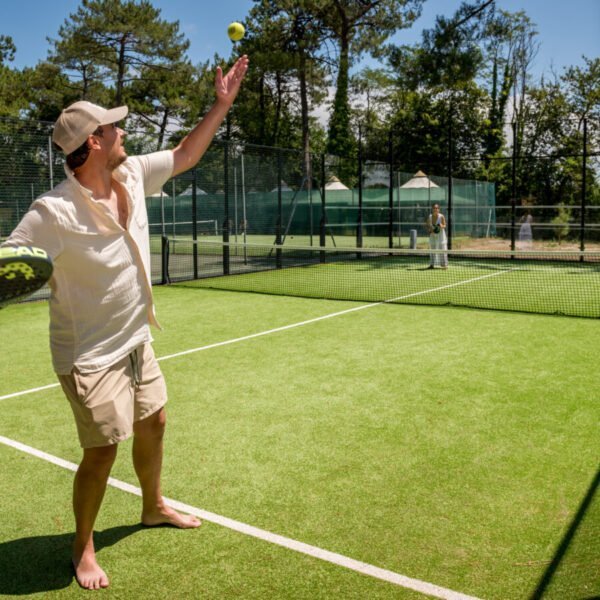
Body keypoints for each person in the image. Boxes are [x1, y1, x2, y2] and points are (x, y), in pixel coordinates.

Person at [1, 55, 249, 590]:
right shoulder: (53, 212)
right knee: (102, 450)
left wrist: (222, 103)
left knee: (155, 422)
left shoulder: (132, 173)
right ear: (92, 142)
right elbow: (11, 256)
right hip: (88, 354)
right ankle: (82, 545)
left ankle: (153, 505)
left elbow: (185, 154)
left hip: (136, 336)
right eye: (113, 127)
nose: (122, 132)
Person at [425, 203, 448, 269]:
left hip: (441, 235)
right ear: (432, 209)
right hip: (433, 235)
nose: (436, 209)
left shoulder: (441, 216)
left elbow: (444, 225)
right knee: (432, 249)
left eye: (437, 208)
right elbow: (427, 225)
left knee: (442, 249)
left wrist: (441, 226)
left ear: (439, 209)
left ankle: (444, 264)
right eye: (434, 208)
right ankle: (432, 264)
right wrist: (430, 230)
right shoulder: (430, 216)